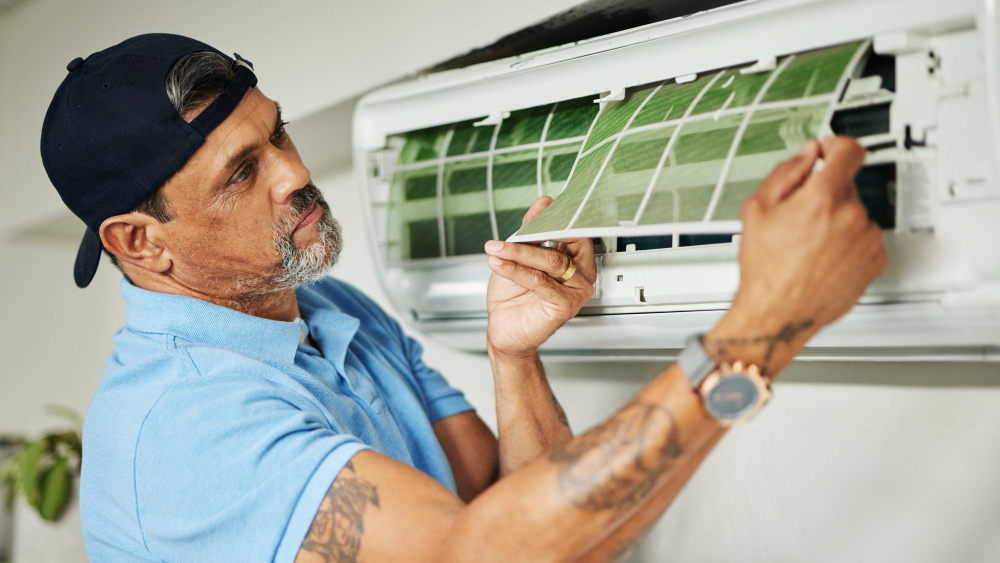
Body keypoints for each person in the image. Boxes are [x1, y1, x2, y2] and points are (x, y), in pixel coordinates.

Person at [40, 34, 886, 563]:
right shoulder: (182, 428)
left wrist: (513, 360)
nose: (296, 173)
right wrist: (756, 333)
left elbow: (526, 528)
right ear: (140, 242)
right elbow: (475, 552)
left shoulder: (339, 316)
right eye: (241, 172)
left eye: (278, 133)